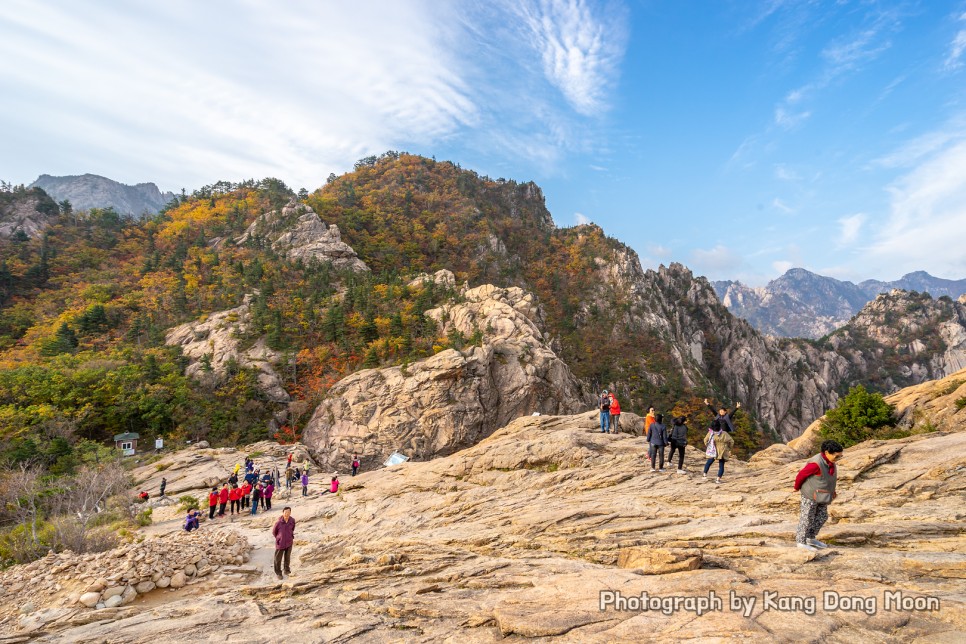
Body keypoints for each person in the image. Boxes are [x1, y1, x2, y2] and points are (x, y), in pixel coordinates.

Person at [794, 440, 844, 551]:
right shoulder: (815, 463)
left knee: (822, 516)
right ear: (827, 453)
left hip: (822, 495)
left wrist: (832, 491)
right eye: (837, 456)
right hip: (810, 494)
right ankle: (800, 541)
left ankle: (810, 538)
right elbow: (801, 475)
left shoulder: (830, 462)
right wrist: (797, 487)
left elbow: (829, 479)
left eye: (840, 456)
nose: (838, 459)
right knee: (807, 517)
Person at [272, 507, 296, 580]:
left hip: (289, 541)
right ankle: (278, 573)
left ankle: (287, 570)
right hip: (281, 543)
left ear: (290, 513)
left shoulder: (292, 520)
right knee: (277, 559)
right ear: (283, 513)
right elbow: (274, 532)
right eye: (285, 512)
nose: (287, 514)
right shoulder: (278, 523)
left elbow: (293, 529)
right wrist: (279, 538)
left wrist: (290, 536)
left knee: (287, 558)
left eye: (288, 512)